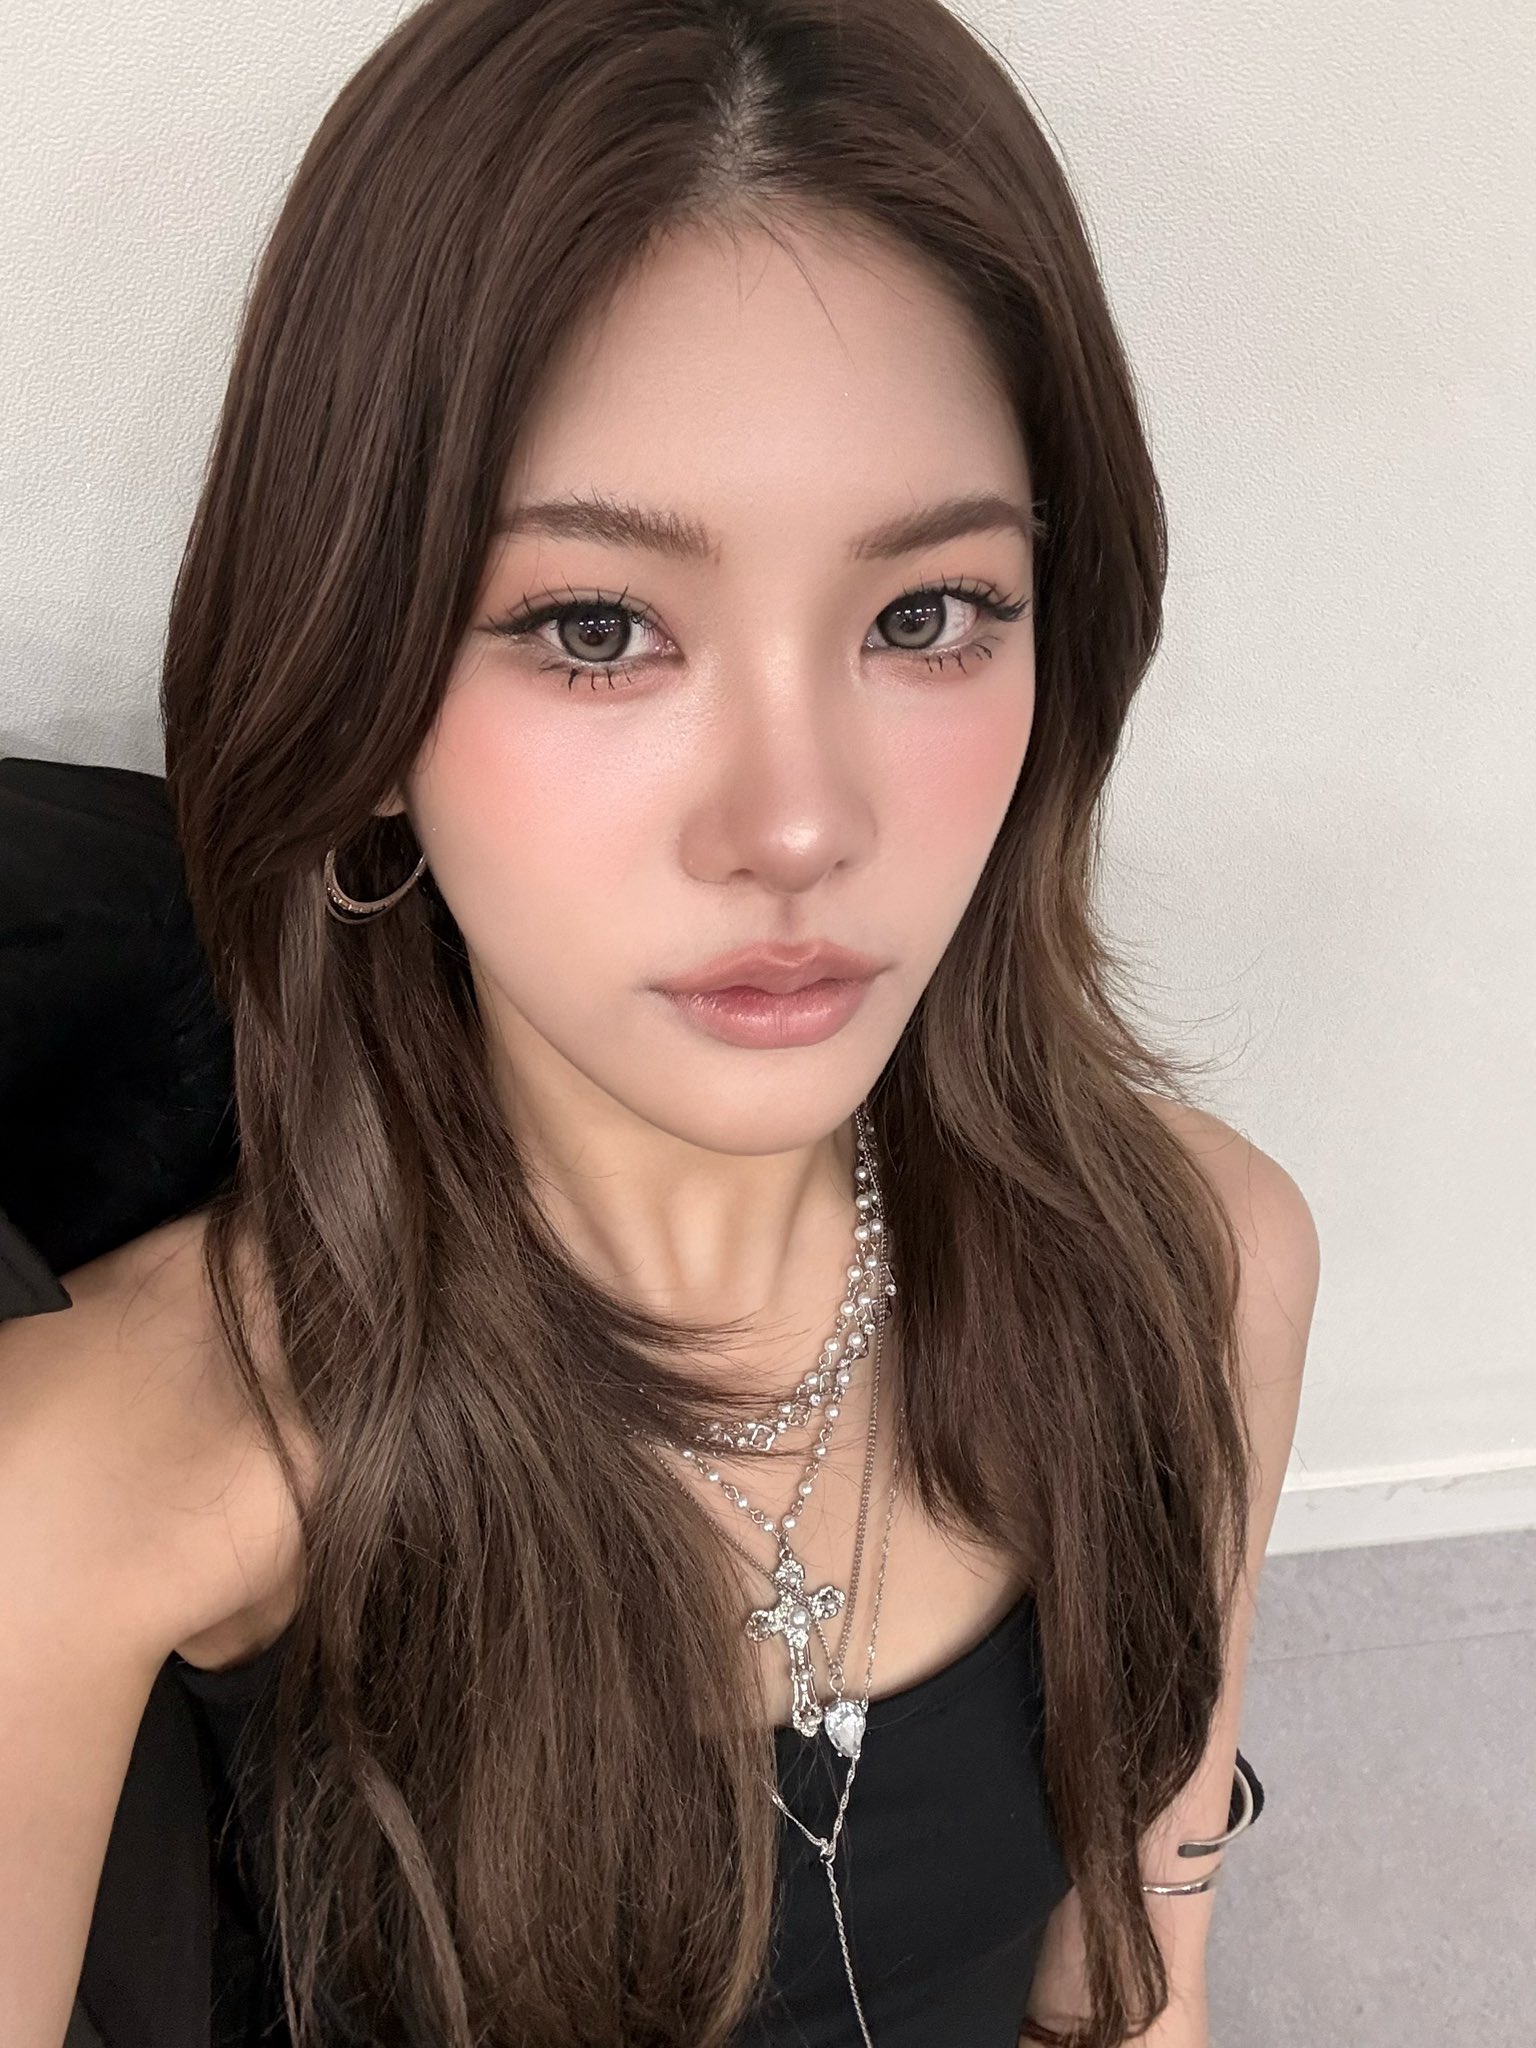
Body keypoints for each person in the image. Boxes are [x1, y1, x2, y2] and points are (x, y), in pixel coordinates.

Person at [0, 1, 1320, 2045]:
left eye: (927, 615)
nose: (797, 825)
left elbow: (1141, 1984)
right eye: (597, 627)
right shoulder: (99, 1484)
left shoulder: (1198, 1262)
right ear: (357, 695)